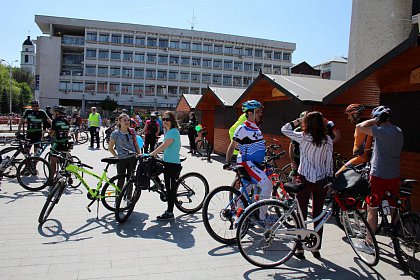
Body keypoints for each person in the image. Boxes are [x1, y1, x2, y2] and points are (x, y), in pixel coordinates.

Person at [281, 111, 333, 259]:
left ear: (307, 123)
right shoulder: (328, 139)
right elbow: (329, 163)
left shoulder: (303, 137)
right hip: (321, 181)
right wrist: (329, 179)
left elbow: (284, 129)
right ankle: (315, 248)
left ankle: (299, 249)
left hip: (304, 179)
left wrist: (298, 120)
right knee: (318, 214)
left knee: (301, 214)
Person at [354, 105, 403, 254]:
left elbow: (359, 126)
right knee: (394, 207)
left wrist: (374, 120)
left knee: (372, 209)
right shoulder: (398, 131)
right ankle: (395, 240)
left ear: (379, 118)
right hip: (394, 175)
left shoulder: (381, 131)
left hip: (379, 176)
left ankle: (369, 243)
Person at [224, 100, 272, 220]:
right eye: (257, 111)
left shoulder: (254, 127)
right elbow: (232, 144)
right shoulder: (243, 128)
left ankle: (241, 216)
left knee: (246, 190)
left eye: (260, 111)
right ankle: (262, 217)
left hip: (255, 163)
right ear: (250, 113)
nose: (260, 113)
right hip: (248, 163)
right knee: (267, 185)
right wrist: (227, 161)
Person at [149, 111, 181, 221]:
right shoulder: (168, 132)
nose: (165, 121)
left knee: (170, 189)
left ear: (172, 121)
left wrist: (151, 154)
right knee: (155, 170)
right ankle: (159, 186)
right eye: (164, 119)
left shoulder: (173, 131)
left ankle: (170, 212)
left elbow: (164, 146)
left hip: (173, 164)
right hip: (167, 161)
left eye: (168, 119)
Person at [336, 104, 373, 176]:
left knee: (338, 174)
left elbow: (362, 151)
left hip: (361, 158)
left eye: (349, 115)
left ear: (355, 115)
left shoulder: (362, 127)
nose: (348, 118)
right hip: (361, 158)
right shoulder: (364, 125)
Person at [108, 113, 140, 188]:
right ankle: (118, 197)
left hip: (132, 158)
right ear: (119, 122)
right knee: (120, 179)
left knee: (130, 180)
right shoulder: (115, 133)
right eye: (124, 120)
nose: (127, 122)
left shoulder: (132, 131)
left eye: (128, 120)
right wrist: (117, 156)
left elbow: (136, 145)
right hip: (121, 159)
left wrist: (139, 155)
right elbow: (110, 147)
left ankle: (129, 198)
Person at [49, 105, 71, 180]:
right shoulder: (66, 121)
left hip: (57, 143)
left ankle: (51, 179)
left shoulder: (55, 121)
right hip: (65, 143)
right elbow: (68, 132)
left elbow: (52, 133)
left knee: (53, 162)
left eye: (54, 111)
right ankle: (69, 176)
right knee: (65, 161)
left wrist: (47, 135)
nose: (53, 113)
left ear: (57, 112)